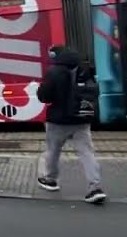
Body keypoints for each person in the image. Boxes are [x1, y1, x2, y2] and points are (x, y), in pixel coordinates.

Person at [36, 45, 106, 204]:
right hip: (81, 119)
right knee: (87, 153)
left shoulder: (54, 72)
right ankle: (95, 187)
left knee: (53, 151)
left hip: (58, 120)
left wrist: (40, 89)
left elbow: (44, 97)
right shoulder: (84, 69)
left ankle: (51, 179)